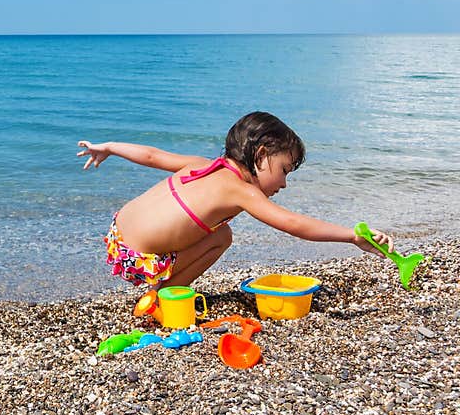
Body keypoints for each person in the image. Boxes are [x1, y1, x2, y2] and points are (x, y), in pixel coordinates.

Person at [77, 111, 394, 289]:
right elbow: (294, 224)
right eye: (284, 170)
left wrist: (109, 147)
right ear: (260, 155)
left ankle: (164, 284)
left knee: (209, 224)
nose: (284, 182)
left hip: (116, 238)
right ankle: (164, 293)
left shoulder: (202, 164)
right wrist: (352, 236)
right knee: (223, 236)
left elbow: (150, 154)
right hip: (138, 259)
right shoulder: (241, 191)